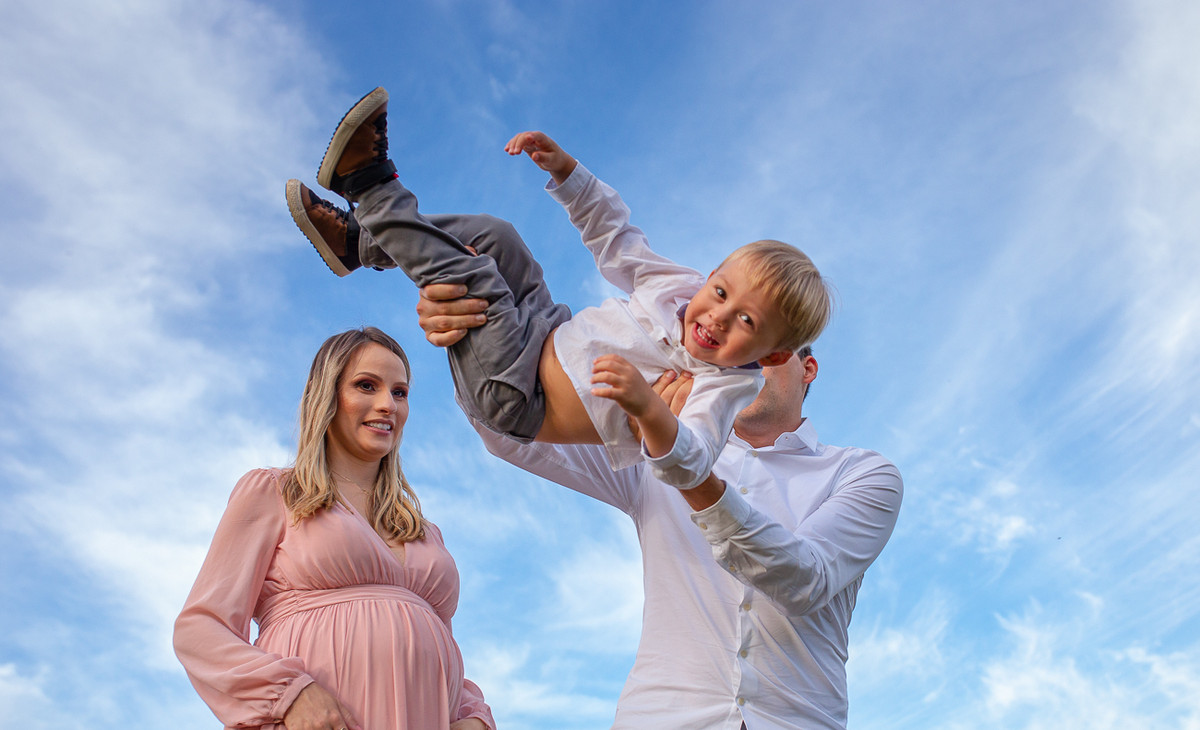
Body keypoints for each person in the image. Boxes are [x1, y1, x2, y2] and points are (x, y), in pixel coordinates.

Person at [418, 288, 903, 730]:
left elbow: (803, 577)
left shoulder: (862, 473)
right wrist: (467, 338)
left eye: (771, 344)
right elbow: (511, 432)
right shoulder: (653, 445)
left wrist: (676, 454)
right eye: (738, 345)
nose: (750, 356)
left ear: (807, 368)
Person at [285, 86, 832, 492]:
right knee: (499, 237)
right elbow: (616, 238)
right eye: (721, 294)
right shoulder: (676, 289)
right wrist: (570, 175)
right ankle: (361, 245)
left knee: (477, 280)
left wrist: (651, 412)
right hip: (547, 326)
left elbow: (690, 461)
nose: (717, 318)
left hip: (518, 394)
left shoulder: (721, 389)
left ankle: (372, 187)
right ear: (711, 275)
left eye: (747, 324)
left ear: (774, 355)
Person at [173, 327, 496, 730]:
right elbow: (200, 628)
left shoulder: (425, 533)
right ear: (327, 395)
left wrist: (474, 719)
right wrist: (290, 693)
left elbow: (433, 649)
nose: (388, 404)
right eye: (367, 386)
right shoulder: (276, 493)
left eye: (400, 392)